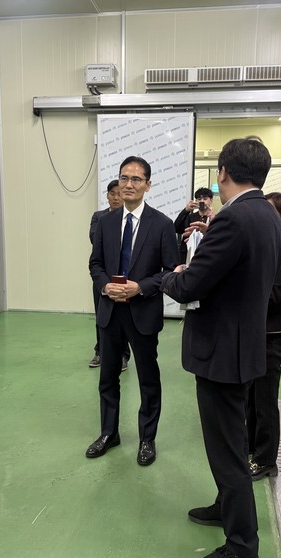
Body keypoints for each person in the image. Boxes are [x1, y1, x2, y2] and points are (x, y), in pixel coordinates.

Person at [161, 138, 281, 558]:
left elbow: (191, 286)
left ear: (223, 173)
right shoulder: (267, 214)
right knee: (231, 442)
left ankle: (242, 547)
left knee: (227, 450)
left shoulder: (233, 218)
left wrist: (171, 276)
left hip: (222, 353)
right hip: (243, 347)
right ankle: (225, 507)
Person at [87, 156, 179, 466]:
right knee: (107, 377)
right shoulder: (106, 222)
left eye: (136, 179)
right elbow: (95, 264)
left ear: (148, 185)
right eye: (124, 178)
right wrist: (105, 286)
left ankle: (147, 439)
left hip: (143, 312)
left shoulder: (162, 225)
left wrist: (140, 287)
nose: (128, 184)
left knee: (148, 380)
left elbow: (170, 271)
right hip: (110, 311)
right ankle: (108, 433)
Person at [247, 192, 281, 481]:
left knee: (265, 399)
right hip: (252, 331)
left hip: (270, 334)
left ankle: (266, 459)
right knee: (249, 397)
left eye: (269, 212)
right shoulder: (263, 246)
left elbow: (276, 293)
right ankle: (250, 448)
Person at [88, 180, 131, 370]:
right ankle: (100, 351)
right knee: (102, 316)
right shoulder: (99, 217)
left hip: (124, 275)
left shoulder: (130, 219)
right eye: (112, 193)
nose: (116, 197)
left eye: (119, 193)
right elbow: (95, 239)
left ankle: (123, 355)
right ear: (107, 196)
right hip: (102, 277)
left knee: (124, 317)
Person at [174, 187, 215, 260]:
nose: (202, 201)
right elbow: (176, 228)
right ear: (196, 201)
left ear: (211, 200)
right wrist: (186, 210)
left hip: (207, 255)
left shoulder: (215, 218)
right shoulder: (190, 217)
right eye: (199, 199)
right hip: (188, 255)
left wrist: (213, 220)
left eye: (205, 199)